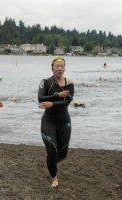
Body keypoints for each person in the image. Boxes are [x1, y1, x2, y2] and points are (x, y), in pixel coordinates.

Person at [38, 56, 74, 187]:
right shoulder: (46, 82)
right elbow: (40, 98)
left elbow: (67, 101)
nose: (59, 68)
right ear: (52, 68)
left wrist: (51, 103)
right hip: (49, 122)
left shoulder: (69, 83)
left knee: (62, 153)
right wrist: (57, 95)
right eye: (57, 66)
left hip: (64, 122)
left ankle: (51, 162)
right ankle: (54, 178)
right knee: (52, 151)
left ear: (64, 68)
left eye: (62, 66)